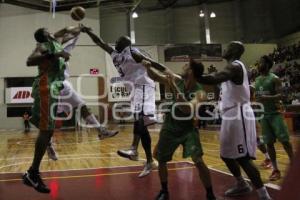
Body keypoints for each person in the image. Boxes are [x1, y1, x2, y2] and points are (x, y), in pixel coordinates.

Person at [195, 41, 271, 200]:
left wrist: (197, 75)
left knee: (243, 158)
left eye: (229, 46)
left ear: (236, 51)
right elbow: (218, 82)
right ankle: (241, 184)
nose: (225, 48)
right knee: (226, 154)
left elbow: (215, 78)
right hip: (230, 114)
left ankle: (264, 196)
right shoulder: (230, 69)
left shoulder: (235, 66)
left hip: (239, 114)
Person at [82, 26, 157, 177]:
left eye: (118, 41)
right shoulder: (115, 54)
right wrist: (88, 31)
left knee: (139, 119)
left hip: (143, 86)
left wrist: (168, 72)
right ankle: (144, 157)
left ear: (126, 43)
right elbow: (100, 42)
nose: (115, 42)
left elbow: (153, 63)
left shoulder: (133, 52)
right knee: (140, 122)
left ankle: (137, 151)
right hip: (134, 89)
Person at [140, 58, 217, 200]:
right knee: (160, 158)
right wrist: (148, 67)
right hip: (170, 126)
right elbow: (155, 76)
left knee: (198, 161)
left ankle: (210, 194)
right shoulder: (178, 80)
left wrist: (173, 87)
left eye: (187, 65)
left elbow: (187, 109)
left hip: (188, 129)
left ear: (191, 71)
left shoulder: (200, 93)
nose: (183, 66)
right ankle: (164, 191)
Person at [22, 26, 84, 193]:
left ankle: (34, 169)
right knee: (46, 129)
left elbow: (65, 32)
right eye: (48, 31)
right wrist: (57, 55)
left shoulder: (56, 42)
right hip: (45, 87)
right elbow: (29, 60)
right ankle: (32, 173)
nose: (52, 32)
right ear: (45, 35)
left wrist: (79, 28)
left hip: (53, 88)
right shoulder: (43, 46)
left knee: (48, 130)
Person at [46, 31, 119, 161]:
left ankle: (100, 130)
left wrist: (78, 33)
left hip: (65, 85)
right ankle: (49, 144)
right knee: (51, 117)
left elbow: (71, 44)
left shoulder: (61, 49)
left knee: (82, 106)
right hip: (53, 86)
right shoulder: (47, 53)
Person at [255, 55, 294, 181]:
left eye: (261, 62)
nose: (258, 65)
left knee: (285, 141)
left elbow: (282, 95)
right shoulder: (257, 80)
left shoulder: (275, 79)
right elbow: (258, 97)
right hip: (264, 115)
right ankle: (276, 170)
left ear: (267, 64)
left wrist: (267, 98)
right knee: (269, 144)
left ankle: (294, 167)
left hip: (275, 114)